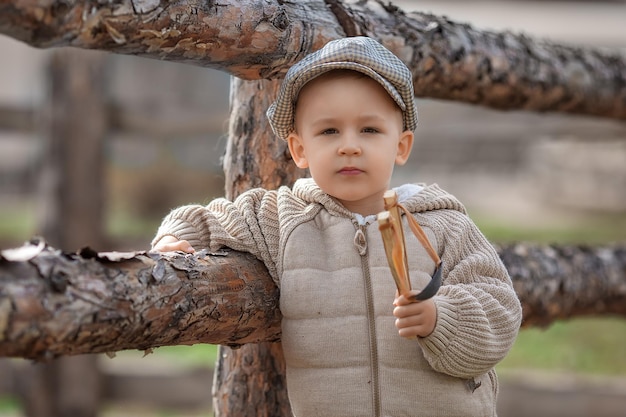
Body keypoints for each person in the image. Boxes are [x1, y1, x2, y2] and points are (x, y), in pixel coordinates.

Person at [152, 36, 522, 416]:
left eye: (369, 130)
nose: (349, 146)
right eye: (329, 131)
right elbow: (204, 218)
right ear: (299, 149)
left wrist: (438, 318)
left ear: (402, 145)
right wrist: (171, 239)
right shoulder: (283, 219)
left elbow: (499, 308)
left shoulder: (443, 225)